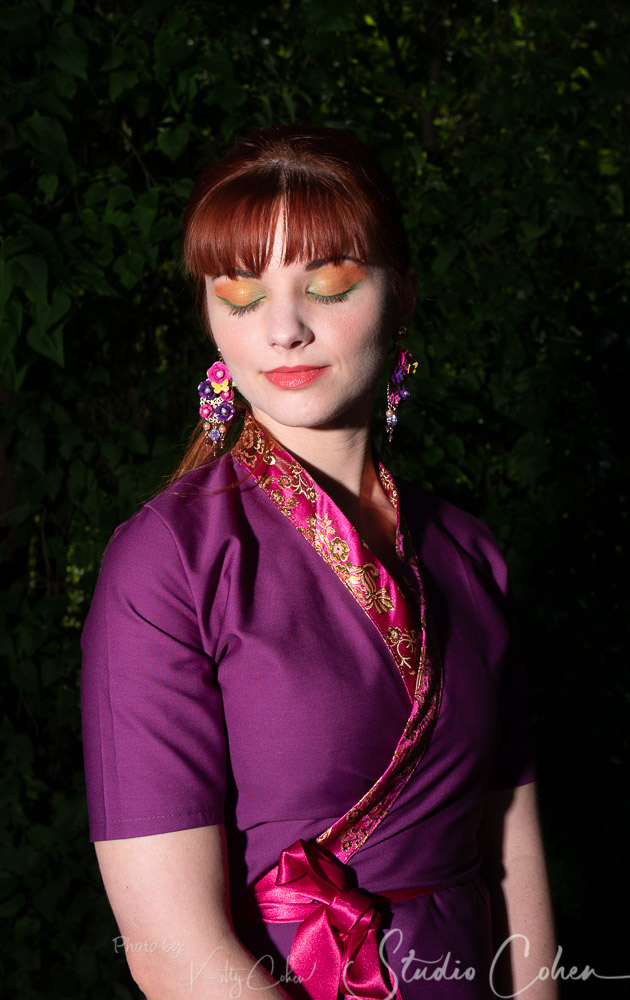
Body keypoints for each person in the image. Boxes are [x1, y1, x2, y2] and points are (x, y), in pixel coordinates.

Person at [81, 124, 557, 1000]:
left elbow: (511, 846)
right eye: (240, 294)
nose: (283, 329)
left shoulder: (468, 550)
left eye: (328, 284)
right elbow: (171, 953)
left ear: (402, 292)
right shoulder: (166, 560)